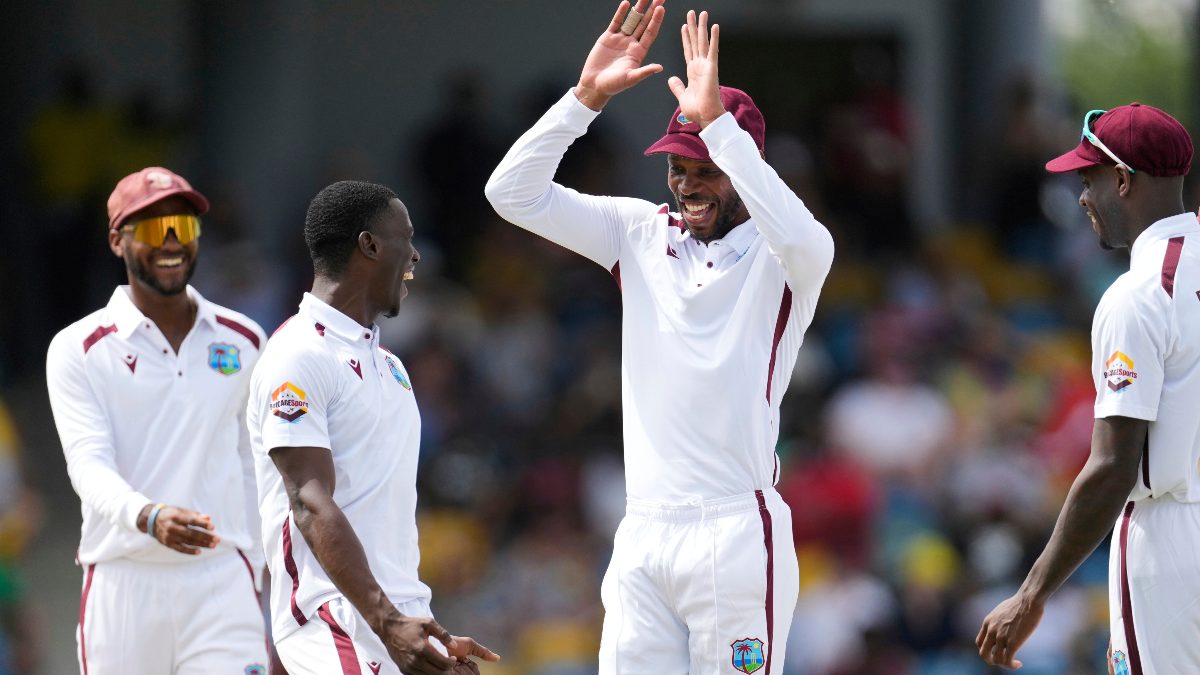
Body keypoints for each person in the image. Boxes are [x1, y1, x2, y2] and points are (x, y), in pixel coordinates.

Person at [485, 3, 835, 673]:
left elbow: (805, 236)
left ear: (742, 165)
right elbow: (511, 193)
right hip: (643, 529)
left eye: (705, 168)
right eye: (678, 166)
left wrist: (721, 130)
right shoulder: (638, 232)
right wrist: (583, 100)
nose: (687, 185)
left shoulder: (783, 258)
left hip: (737, 531)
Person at [977, 104, 1200, 673]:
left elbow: (1113, 468)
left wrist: (1032, 593)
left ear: (1123, 180)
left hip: (1170, 539)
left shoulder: (1139, 294)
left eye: (1088, 178)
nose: (1082, 197)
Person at [246, 180, 499, 674]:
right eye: (406, 238)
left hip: (396, 619)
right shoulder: (298, 354)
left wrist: (422, 629)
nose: (416, 255)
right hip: (333, 621)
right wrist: (387, 621)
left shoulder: (390, 366)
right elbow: (307, 501)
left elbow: (382, 516)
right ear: (369, 245)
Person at [46, 167, 269, 674]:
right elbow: (87, 464)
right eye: (150, 228)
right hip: (125, 579)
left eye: (183, 227)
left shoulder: (244, 340)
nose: (171, 241)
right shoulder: (79, 348)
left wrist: (253, 563)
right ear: (116, 241)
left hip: (220, 582)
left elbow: (253, 462)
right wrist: (147, 515)